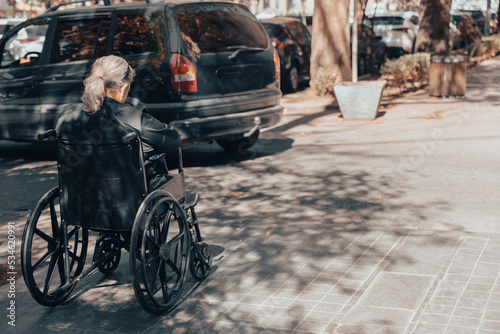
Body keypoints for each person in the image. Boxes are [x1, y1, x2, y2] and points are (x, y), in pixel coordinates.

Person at [55, 55, 181, 191]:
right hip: (126, 199)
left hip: (80, 197)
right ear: (123, 87)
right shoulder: (135, 118)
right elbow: (173, 141)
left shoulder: (66, 115)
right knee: (172, 182)